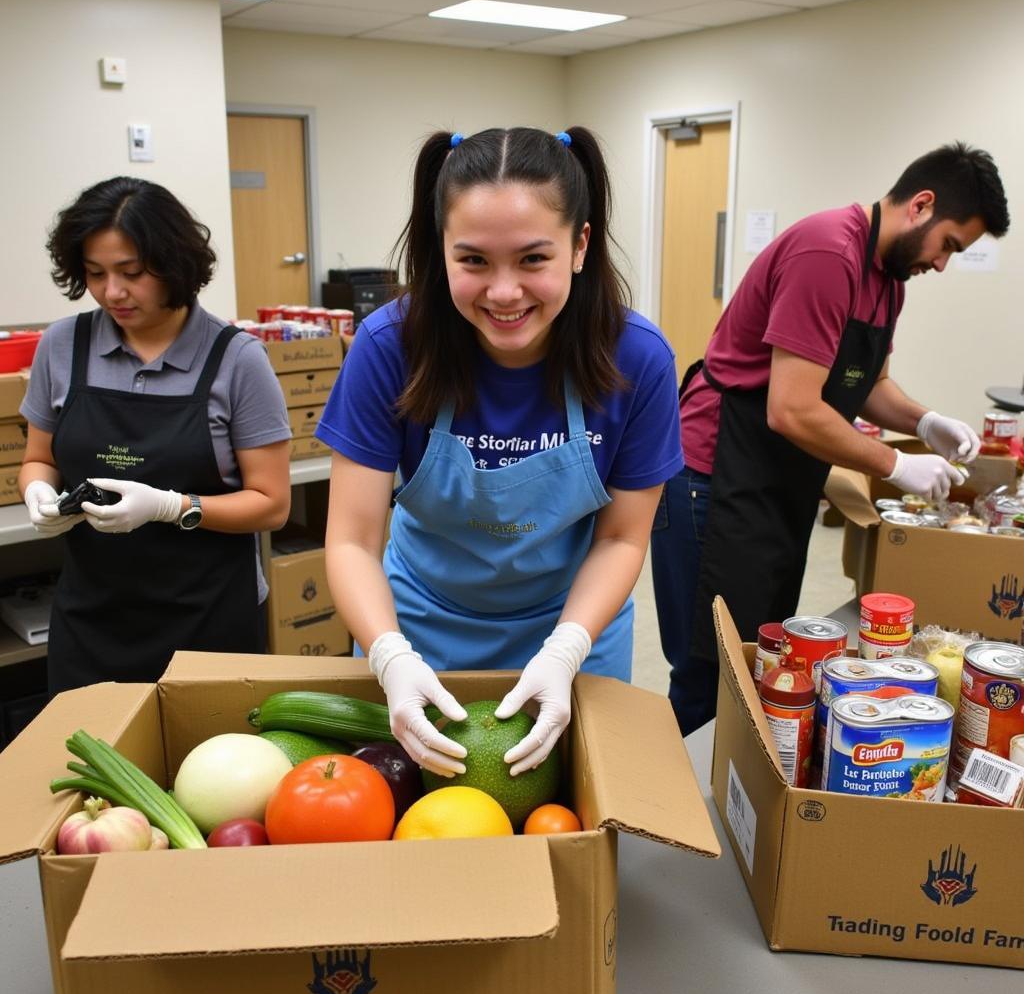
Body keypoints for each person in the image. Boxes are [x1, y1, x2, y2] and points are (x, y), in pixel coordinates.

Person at [316, 127, 682, 776]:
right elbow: (351, 540)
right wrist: (390, 657)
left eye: (533, 259)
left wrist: (565, 651)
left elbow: (622, 538)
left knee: (576, 821)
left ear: (579, 246)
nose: (504, 292)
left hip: (574, 623)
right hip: (417, 623)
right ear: (442, 252)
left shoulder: (636, 359)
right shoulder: (389, 347)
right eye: (475, 261)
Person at [651, 141, 1010, 737]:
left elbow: (866, 383)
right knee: (708, 671)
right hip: (713, 479)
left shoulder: (889, 278)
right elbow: (792, 409)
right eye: (949, 244)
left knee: (761, 659)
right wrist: (895, 462)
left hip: (775, 483)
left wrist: (923, 422)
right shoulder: (829, 253)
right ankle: (674, 818)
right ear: (921, 205)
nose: (944, 264)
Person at [19, 176, 292, 695]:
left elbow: (272, 504)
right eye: (95, 273)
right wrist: (36, 492)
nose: (112, 292)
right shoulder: (62, 346)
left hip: (208, 623)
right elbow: (38, 459)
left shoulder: (236, 360)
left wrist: (172, 506)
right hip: (91, 621)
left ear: (173, 264)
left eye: (132, 273)